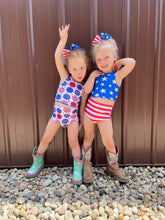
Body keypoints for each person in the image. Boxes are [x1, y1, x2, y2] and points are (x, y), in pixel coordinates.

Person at [26, 24, 89, 185]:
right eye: (75, 68)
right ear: (68, 68)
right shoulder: (64, 77)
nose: (79, 72)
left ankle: (77, 167)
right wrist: (63, 40)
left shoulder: (83, 87)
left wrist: (81, 121)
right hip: (56, 116)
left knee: (73, 141)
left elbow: (82, 106)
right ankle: (37, 162)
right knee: (46, 138)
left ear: (86, 67)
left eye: (82, 68)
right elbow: (56, 57)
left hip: (72, 119)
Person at [82, 33, 136, 184]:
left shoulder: (117, 76)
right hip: (89, 113)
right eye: (99, 59)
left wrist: (118, 63)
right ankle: (86, 165)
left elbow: (131, 62)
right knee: (88, 138)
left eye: (106, 57)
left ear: (114, 56)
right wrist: (92, 75)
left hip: (104, 116)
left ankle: (112, 166)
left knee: (109, 142)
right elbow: (86, 91)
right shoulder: (97, 75)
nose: (102, 62)